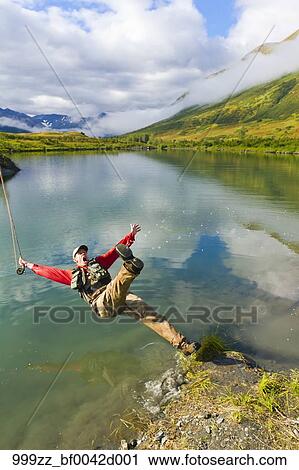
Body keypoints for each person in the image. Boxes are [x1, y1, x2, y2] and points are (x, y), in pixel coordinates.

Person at [19, 224, 200, 355]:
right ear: (75, 260)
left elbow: (115, 251)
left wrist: (130, 236)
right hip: (101, 304)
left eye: (84, 252)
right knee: (115, 285)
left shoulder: (98, 263)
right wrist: (28, 265)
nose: (83, 254)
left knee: (151, 315)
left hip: (120, 296)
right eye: (79, 254)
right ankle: (130, 267)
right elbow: (49, 272)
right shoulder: (71, 275)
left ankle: (183, 345)